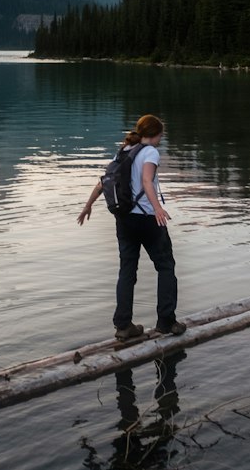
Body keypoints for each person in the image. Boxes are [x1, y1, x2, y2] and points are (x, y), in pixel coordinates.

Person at [78, 113, 186, 340]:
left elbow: (104, 181)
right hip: (147, 218)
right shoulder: (150, 152)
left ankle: (123, 326)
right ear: (156, 134)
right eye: (161, 134)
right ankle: (166, 322)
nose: (161, 138)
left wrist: (88, 206)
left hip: (124, 219)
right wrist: (157, 208)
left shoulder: (124, 151)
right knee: (165, 266)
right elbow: (147, 181)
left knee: (127, 270)